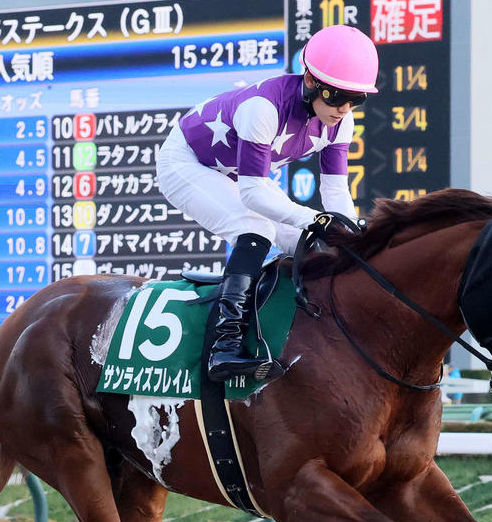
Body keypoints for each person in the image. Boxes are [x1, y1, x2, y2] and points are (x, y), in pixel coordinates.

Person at [156, 25, 377, 380]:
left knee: (308, 243)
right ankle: (223, 346)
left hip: (234, 174)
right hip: (186, 163)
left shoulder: (341, 122)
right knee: (254, 227)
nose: (344, 108)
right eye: (337, 97)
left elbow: (335, 193)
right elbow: (253, 194)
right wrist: (317, 219)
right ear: (310, 80)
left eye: (356, 99)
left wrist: (347, 235)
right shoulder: (263, 108)